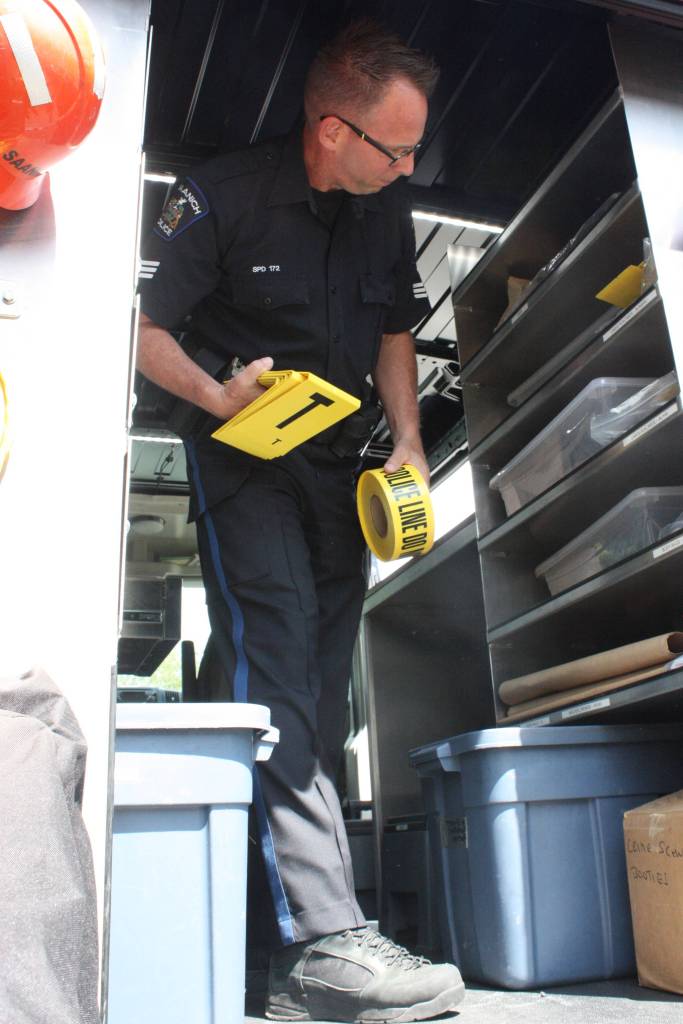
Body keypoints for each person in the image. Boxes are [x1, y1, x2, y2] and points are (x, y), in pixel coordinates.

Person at [136, 18, 465, 1022]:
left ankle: (277, 950)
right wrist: (215, 393)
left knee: (320, 691)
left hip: (335, 470)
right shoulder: (222, 196)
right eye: (395, 149)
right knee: (275, 658)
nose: (408, 167)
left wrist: (407, 438)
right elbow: (140, 327)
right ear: (332, 130)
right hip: (243, 458)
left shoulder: (382, 211)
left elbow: (394, 328)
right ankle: (320, 945)